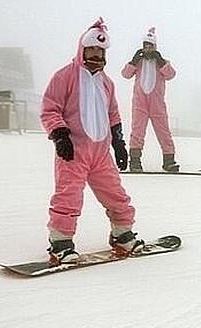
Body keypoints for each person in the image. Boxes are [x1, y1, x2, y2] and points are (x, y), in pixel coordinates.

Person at [40, 18, 145, 265]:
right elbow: (50, 108)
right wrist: (60, 134)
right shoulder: (65, 76)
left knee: (116, 194)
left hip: (100, 154)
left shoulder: (107, 83)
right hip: (73, 151)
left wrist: (118, 142)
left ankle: (122, 234)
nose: (96, 54)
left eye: (101, 50)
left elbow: (113, 114)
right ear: (82, 49)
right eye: (92, 50)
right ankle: (61, 243)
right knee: (68, 196)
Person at [121, 27, 179, 172]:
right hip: (140, 103)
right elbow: (126, 74)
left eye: (150, 45)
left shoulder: (162, 63)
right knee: (137, 131)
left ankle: (169, 160)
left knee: (163, 131)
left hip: (157, 104)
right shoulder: (138, 63)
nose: (147, 48)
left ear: (155, 46)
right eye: (145, 45)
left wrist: (161, 61)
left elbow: (171, 75)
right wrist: (133, 62)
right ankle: (135, 160)